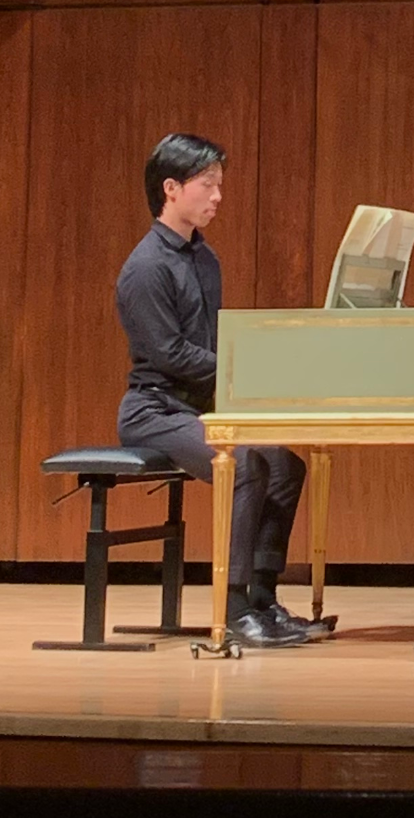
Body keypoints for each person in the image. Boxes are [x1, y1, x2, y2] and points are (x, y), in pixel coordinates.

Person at [115, 132, 313, 649]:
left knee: (287, 465)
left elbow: (213, 340)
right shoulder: (146, 268)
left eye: (219, 185)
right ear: (172, 189)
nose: (218, 196)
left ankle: (264, 599)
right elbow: (170, 355)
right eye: (208, 185)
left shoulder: (205, 259)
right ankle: (232, 607)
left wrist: (254, 365)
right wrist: (242, 372)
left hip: (198, 407)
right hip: (154, 410)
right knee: (244, 464)